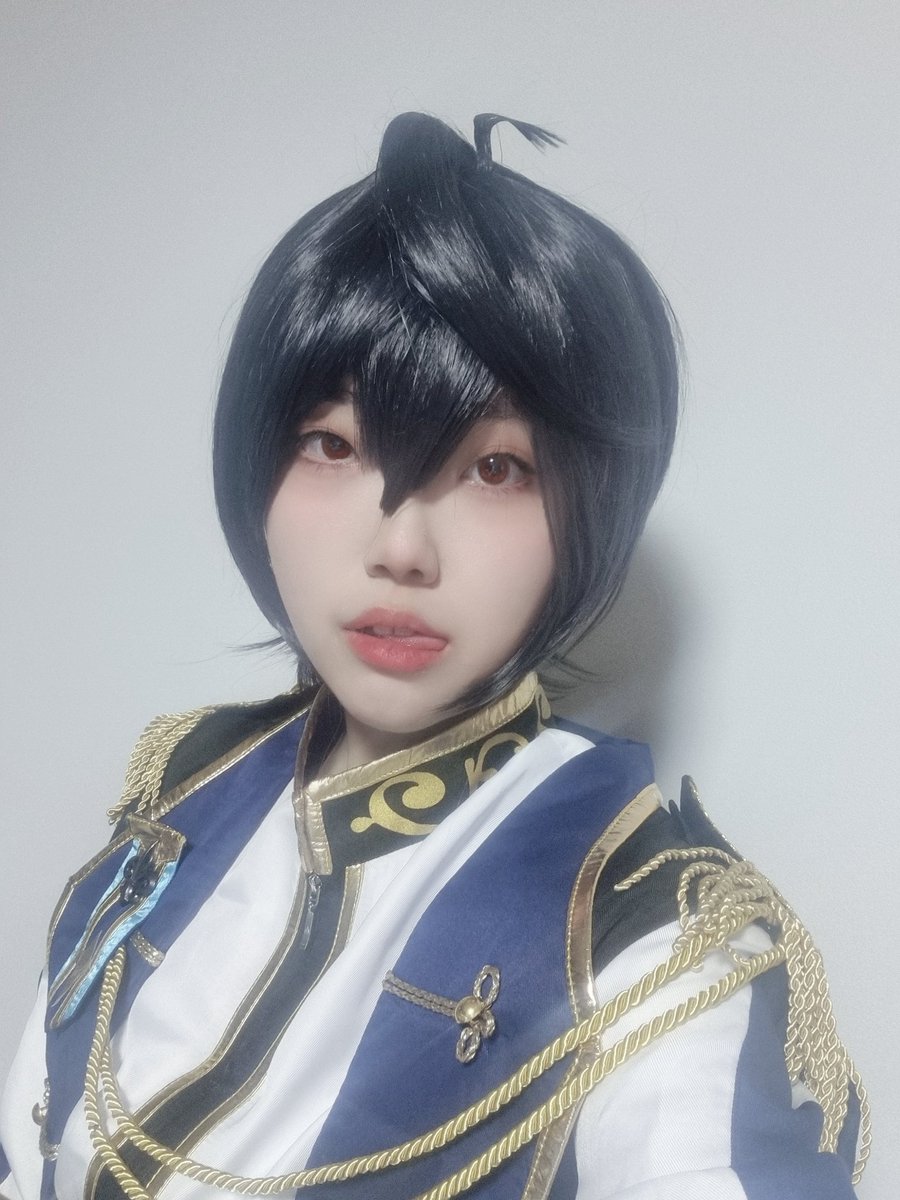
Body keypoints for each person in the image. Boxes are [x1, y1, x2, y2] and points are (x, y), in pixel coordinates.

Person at [0, 113, 869, 1200]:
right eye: (333, 445)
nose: (402, 547)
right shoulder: (186, 789)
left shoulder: (645, 927)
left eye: (496, 468)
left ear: (590, 507)